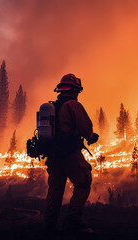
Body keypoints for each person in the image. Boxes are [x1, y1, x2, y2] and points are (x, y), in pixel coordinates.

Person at [44, 73, 99, 236]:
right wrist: (91, 136)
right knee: (83, 182)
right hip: (68, 154)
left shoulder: (54, 106)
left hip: (53, 157)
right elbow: (86, 127)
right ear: (75, 90)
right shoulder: (73, 105)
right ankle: (73, 222)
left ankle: (49, 226)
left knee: (55, 189)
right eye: (77, 91)